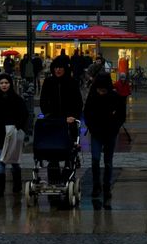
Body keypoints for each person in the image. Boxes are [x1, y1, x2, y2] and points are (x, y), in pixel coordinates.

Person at [82, 72, 126, 209]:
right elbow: (87, 114)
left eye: (103, 90)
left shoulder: (115, 97)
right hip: (96, 133)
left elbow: (121, 115)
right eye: (99, 90)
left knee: (108, 161)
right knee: (95, 159)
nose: (101, 92)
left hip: (110, 133)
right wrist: (92, 127)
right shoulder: (92, 97)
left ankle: (106, 186)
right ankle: (97, 186)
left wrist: (115, 127)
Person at [39, 54, 84, 180]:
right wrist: (48, 115)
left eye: (60, 68)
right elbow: (43, 101)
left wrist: (73, 116)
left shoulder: (72, 82)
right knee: (53, 153)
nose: (58, 70)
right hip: (53, 122)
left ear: (65, 69)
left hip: (69, 123)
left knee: (69, 153)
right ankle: (54, 181)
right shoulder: (48, 82)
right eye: (56, 68)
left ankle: (68, 178)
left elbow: (78, 103)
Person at [0, 73, 29, 197]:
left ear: (10, 84)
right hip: (1, 134)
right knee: (1, 160)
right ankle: (0, 189)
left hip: (14, 133)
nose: (4, 85)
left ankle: (17, 185)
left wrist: (18, 126)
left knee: (15, 161)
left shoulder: (17, 99)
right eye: (1, 83)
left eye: (6, 83)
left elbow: (24, 114)